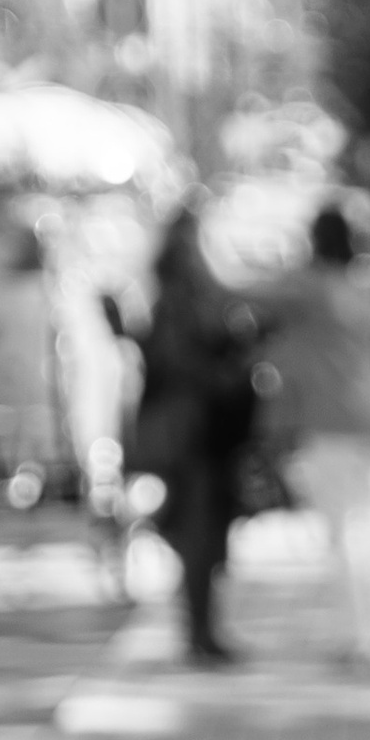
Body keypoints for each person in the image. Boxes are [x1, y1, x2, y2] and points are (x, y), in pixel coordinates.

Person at [263, 203, 370, 667]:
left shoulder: (310, 287)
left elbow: (243, 290)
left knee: (348, 532)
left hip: (331, 422)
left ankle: (361, 635)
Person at [129, 205, 256, 666]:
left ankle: (202, 630)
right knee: (199, 535)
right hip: (196, 436)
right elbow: (184, 368)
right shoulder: (185, 303)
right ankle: (201, 632)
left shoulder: (181, 301)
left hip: (199, 433)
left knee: (199, 536)